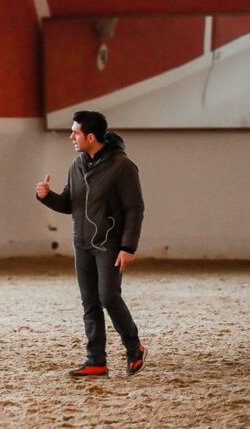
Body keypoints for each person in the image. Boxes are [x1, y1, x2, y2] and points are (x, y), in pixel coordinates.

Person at [36, 110, 146, 377]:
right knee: (90, 302)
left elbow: (135, 209)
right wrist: (46, 196)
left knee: (109, 297)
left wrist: (128, 247)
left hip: (109, 244)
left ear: (91, 136)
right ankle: (96, 360)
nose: (71, 136)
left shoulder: (123, 167)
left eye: (75, 132)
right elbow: (69, 203)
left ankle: (134, 348)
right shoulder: (77, 164)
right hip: (82, 244)